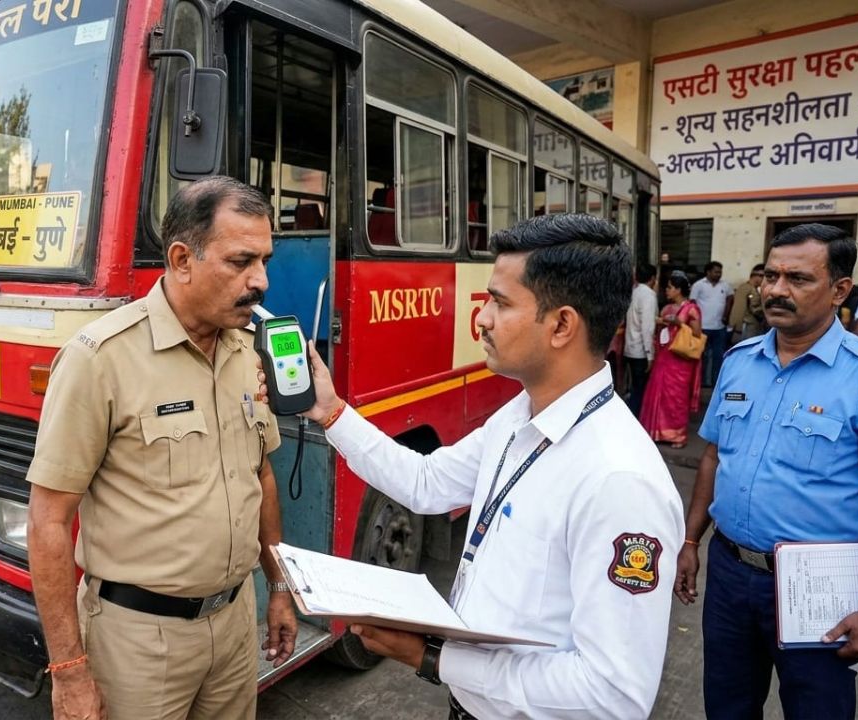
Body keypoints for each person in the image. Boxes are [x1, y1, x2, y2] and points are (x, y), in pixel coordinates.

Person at [263, 214, 683, 719]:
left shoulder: (620, 481)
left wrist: (434, 658)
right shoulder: (519, 415)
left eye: (500, 303)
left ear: (562, 325)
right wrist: (331, 412)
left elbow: (611, 696)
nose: (481, 319)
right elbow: (426, 482)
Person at [24, 177, 297, 720]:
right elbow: (47, 520)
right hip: (139, 645)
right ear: (181, 260)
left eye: (264, 260)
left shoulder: (249, 351)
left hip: (235, 625)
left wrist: (279, 586)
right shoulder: (99, 359)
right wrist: (69, 671)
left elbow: (260, 475)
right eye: (241, 261)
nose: (261, 281)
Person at [675, 223, 858, 719]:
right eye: (771, 276)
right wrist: (691, 541)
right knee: (727, 707)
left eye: (798, 278)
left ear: (840, 290)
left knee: (817, 709)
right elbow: (714, 456)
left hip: (821, 589)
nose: (775, 290)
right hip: (731, 574)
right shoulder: (739, 361)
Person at [640, 272, 703, 449]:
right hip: (665, 356)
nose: (666, 290)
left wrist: (679, 323)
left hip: (681, 360)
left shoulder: (691, 309)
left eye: (669, 287)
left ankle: (677, 435)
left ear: (678, 290)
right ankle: (657, 431)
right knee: (658, 393)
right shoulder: (667, 308)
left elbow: (697, 333)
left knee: (676, 398)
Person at [690, 260, 733, 386]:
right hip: (702, 327)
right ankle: (701, 382)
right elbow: (692, 303)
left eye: (720, 272)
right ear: (708, 272)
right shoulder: (699, 285)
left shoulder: (725, 285)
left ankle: (716, 383)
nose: (719, 274)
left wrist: (726, 315)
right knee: (701, 356)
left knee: (718, 356)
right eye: (716, 272)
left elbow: (731, 298)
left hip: (719, 327)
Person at [623, 262, 658, 414]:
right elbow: (647, 327)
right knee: (640, 390)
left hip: (630, 347)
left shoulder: (634, 292)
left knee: (634, 388)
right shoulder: (649, 295)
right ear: (653, 278)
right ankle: (635, 418)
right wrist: (650, 354)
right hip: (641, 351)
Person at [728, 263, 766, 344]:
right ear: (757, 276)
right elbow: (755, 309)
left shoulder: (742, 287)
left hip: (737, 325)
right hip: (749, 325)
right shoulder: (752, 290)